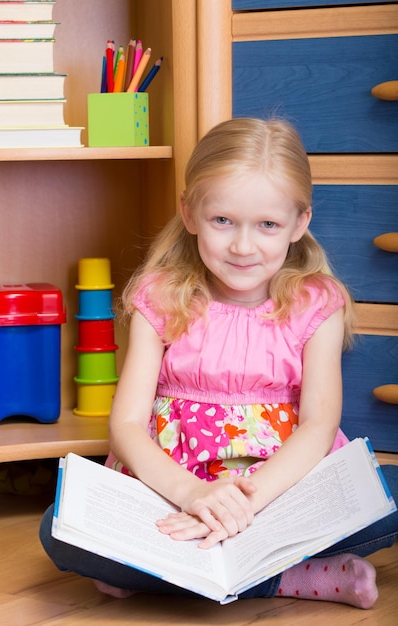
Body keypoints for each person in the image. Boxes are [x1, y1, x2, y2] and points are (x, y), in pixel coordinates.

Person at [40, 117, 398, 609]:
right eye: (223, 221)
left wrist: (248, 502)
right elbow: (125, 425)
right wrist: (192, 495)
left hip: (275, 493)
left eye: (267, 225)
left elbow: (318, 425)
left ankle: (171, 570)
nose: (243, 246)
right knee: (57, 529)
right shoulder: (160, 296)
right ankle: (292, 577)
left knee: (388, 494)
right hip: (172, 490)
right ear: (189, 213)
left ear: (299, 223)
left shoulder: (318, 302)